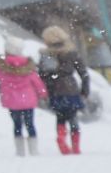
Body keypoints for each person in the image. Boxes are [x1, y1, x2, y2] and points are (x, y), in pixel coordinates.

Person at [0, 41, 46, 156]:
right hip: (28, 100)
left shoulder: (2, 66)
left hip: (12, 100)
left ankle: (20, 151)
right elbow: (36, 81)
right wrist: (42, 93)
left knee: (17, 125)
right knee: (30, 124)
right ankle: (34, 150)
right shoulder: (28, 64)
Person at [37, 26, 90, 155]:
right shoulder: (71, 53)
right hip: (70, 89)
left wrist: (45, 91)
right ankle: (75, 146)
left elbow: (42, 75)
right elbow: (84, 74)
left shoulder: (46, 55)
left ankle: (61, 140)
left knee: (60, 118)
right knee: (73, 117)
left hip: (54, 90)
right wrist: (85, 91)